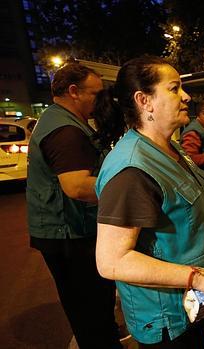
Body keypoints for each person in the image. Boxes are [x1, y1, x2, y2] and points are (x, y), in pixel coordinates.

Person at [93, 55, 204, 348]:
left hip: (191, 304)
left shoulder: (170, 148)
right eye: (174, 88)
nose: (186, 96)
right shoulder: (132, 168)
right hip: (166, 318)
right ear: (144, 100)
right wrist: (200, 278)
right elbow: (112, 261)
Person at [26, 63, 122, 348]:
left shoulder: (58, 120)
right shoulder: (65, 130)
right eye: (96, 94)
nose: (100, 101)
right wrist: (128, 190)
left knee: (89, 305)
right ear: (73, 92)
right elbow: (77, 186)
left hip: (64, 230)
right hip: (69, 235)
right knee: (89, 305)